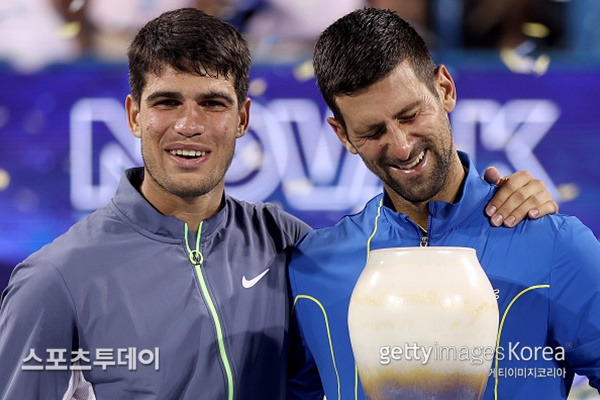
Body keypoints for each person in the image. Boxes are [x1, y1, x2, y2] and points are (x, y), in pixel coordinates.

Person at [0, 7, 556, 399]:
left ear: (242, 118)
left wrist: (501, 204)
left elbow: (411, 245)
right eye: (166, 101)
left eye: (213, 103)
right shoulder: (55, 279)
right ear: (133, 115)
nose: (189, 125)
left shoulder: (288, 244)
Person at [286, 7, 600, 400]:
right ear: (343, 135)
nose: (401, 146)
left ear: (445, 89)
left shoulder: (556, 245)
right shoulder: (310, 268)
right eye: (372, 131)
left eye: (410, 114)